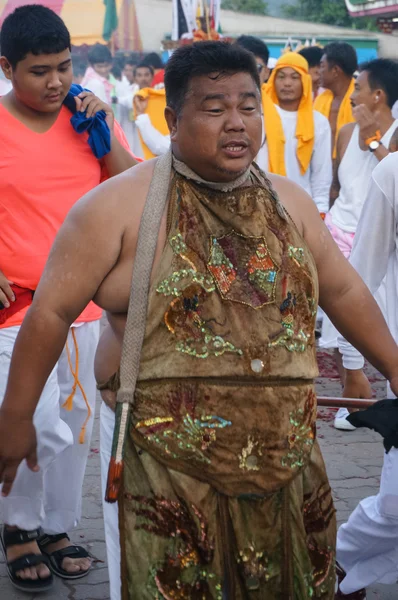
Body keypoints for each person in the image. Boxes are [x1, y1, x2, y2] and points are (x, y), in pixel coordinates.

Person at [1, 40, 398, 600]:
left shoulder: (290, 203)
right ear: (173, 118)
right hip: (163, 469)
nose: (236, 123)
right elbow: (49, 316)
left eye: (247, 106)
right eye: (214, 109)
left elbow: (344, 289)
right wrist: (15, 418)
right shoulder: (113, 208)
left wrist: (395, 367)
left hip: (286, 461)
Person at [0, 5, 136, 593]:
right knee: (33, 418)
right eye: (38, 72)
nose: (55, 82)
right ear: (7, 68)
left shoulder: (87, 118)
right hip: (19, 307)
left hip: (84, 304)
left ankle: (53, 527)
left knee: (80, 425)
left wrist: (105, 137)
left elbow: (133, 188)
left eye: (63, 66)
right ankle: (16, 526)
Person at [319, 59, 398, 429]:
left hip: (383, 240)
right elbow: (339, 184)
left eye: (360, 87)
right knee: (340, 321)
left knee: (381, 317)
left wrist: (375, 141)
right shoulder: (345, 131)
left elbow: (393, 178)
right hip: (342, 232)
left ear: (378, 95)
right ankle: (356, 395)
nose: (353, 94)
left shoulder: (394, 134)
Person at [335, 153, 398, 598]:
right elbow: (358, 277)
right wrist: (351, 363)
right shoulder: (392, 172)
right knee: (396, 505)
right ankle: (338, 560)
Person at [259, 52, 332, 215]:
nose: (287, 83)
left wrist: (320, 210)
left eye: (294, 77)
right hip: (261, 203)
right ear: (273, 80)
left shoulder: (318, 123)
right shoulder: (259, 115)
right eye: (281, 76)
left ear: (305, 81)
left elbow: (321, 174)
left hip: (300, 208)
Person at [315, 42, 357, 157]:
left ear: (335, 70)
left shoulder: (361, 100)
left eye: (322, 66)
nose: (319, 71)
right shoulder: (320, 100)